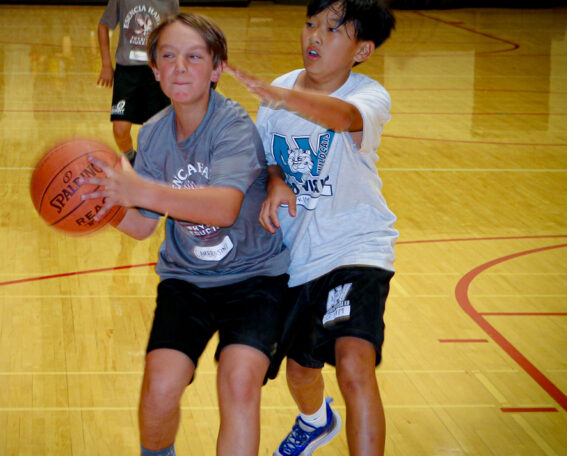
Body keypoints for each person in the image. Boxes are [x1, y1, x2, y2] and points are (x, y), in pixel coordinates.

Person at [86, 12, 291, 456]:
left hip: (255, 279)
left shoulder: (233, 126)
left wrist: (140, 188)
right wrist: (99, 207)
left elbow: (222, 208)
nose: (181, 67)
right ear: (155, 71)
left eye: (194, 57)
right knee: (159, 388)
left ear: (216, 69)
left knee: (238, 382)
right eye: (169, 57)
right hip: (186, 280)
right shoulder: (156, 133)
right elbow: (142, 224)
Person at [226, 1, 397, 455]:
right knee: (301, 372)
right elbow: (268, 161)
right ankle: (316, 421)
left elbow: (340, 118)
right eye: (310, 24)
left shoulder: (369, 96)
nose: (315, 36)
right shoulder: (280, 89)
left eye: (333, 30)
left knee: (354, 365)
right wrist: (278, 182)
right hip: (297, 257)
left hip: (357, 248)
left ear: (362, 49)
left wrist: (278, 96)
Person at [97, 0, 179, 164]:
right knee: (120, 130)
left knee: (159, 132)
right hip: (127, 72)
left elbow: (175, 33)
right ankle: (131, 161)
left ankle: (158, 168)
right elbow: (103, 26)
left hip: (156, 73)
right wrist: (106, 64)